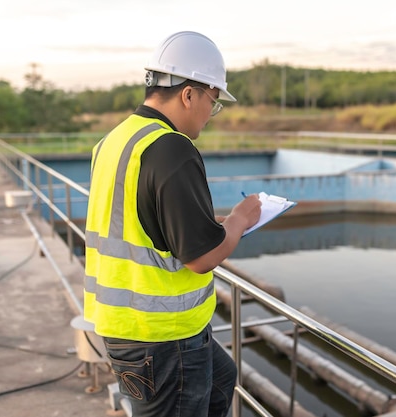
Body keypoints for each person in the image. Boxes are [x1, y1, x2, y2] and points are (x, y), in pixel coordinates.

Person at [83, 31, 262, 417]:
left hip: (123, 327)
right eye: (212, 103)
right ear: (188, 94)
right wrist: (239, 220)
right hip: (163, 339)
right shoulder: (172, 147)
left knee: (221, 379)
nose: (209, 116)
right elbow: (200, 257)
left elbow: (146, 219)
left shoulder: (115, 140)